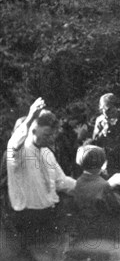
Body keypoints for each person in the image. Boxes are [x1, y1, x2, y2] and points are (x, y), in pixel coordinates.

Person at [6, 98, 76, 232]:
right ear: (33, 129)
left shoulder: (47, 153)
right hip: (27, 217)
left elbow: (61, 182)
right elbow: (15, 142)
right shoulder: (20, 152)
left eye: (53, 134)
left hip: (49, 214)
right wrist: (31, 116)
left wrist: (87, 187)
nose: (50, 139)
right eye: (46, 134)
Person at [73, 145, 120, 217]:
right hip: (102, 222)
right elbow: (117, 207)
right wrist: (113, 188)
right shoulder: (104, 185)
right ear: (102, 163)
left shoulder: (79, 181)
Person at [92, 93, 120, 172]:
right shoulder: (100, 120)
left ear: (116, 107)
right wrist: (103, 131)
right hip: (107, 158)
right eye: (103, 110)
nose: (106, 113)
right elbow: (95, 141)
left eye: (109, 110)